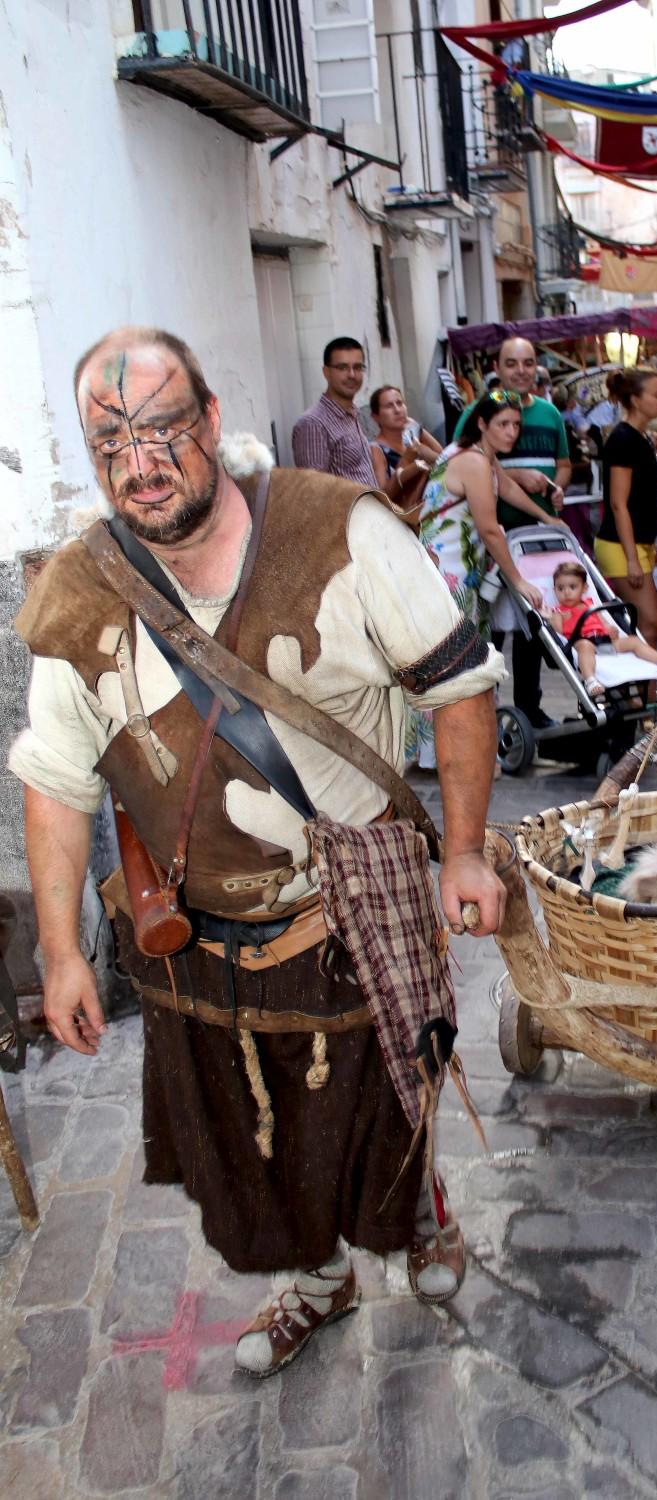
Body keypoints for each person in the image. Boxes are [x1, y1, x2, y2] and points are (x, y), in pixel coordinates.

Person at [9, 326, 507, 1378]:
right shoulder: (80, 589)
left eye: (161, 430)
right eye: (111, 444)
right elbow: (55, 781)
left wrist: (461, 851)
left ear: (211, 422)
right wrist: (61, 952)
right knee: (255, 1129)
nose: (140, 464)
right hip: (199, 944)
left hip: (349, 904)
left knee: (383, 1097)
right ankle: (317, 1284)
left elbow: (458, 688)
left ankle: (417, 1221)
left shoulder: (342, 532)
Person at [453, 338, 571, 730]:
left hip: (531, 535)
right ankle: (484, 712)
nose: (521, 370)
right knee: (484, 628)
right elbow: (482, 470)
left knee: (530, 627)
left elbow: (561, 465)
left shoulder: (550, 414)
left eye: (528, 362)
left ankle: (526, 711)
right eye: (512, 363)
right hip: (480, 542)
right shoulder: (478, 414)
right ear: (498, 368)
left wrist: (552, 501)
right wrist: (517, 477)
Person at [420, 392, 552, 628]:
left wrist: (546, 517)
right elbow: (489, 529)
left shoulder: (475, 452)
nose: (512, 432)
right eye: (503, 424)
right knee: (459, 647)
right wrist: (519, 581)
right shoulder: (475, 461)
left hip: (449, 561)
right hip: (450, 568)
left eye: (516, 424)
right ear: (482, 423)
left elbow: (507, 487)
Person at [596, 367, 657, 648]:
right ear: (636, 400)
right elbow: (618, 503)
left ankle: (644, 691)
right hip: (621, 544)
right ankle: (641, 692)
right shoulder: (623, 439)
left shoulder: (639, 436)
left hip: (638, 542)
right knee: (647, 622)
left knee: (645, 625)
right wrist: (632, 558)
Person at [542, 559, 657, 699]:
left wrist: (610, 629)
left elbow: (602, 621)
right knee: (585, 645)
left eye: (572, 587)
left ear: (585, 588)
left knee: (633, 641)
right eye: (560, 588)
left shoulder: (591, 605)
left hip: (604, 642)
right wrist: (550, 618)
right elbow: (559, 633)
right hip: (582, 642)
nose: (566, 592)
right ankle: (591, 680)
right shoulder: (559, 611)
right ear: (554, 590)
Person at [291, 336, 378, 485]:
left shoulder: (352, 414)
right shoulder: (313, 424)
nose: (352, 375)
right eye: (342, 368)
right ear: (326, 372)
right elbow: (315, 491)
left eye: (357, 367)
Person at [368, 385, 442, 490]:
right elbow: (383, 495)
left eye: (400, 403)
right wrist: (406, 460)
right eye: (389, 406)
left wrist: (418, 428)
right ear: (376, 417)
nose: (397, 410)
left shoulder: (411, 436)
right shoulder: (376, 449)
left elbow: (443, 458)